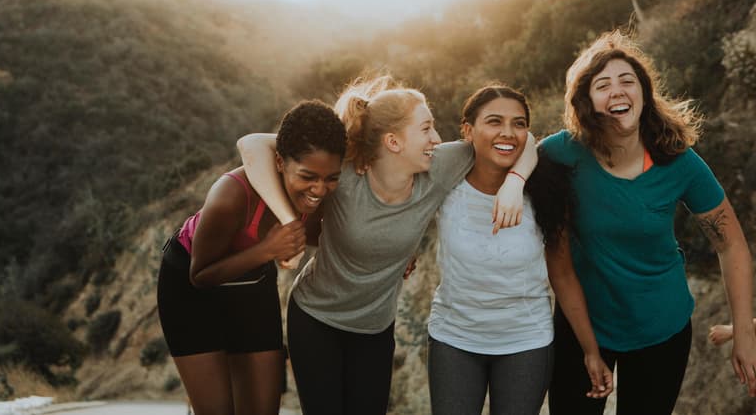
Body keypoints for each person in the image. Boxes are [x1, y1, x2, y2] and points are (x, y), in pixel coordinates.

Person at [236, 75, 537, 415]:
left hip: (375, 328)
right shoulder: (345, 173)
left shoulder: (439, 167)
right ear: (393, 141)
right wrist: (289, 221)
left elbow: (520, 140)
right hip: (316, 319)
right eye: (426, 129)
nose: (437, 139)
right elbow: (252, 145)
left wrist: (515, 182)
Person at [541, 30, 756, 415]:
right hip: (583, 326)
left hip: (662, 328)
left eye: (628, 81)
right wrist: (511, 184)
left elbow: (731, 244)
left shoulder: (678, 160)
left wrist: (744, 333)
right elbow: (516, 150)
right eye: (603, 85)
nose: (618, 90)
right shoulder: (564, 152)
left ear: (644, 92)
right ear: (587, 101)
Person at [427, 84, 613, 415]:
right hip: (454, 337)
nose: (508, 133)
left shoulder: (547, 191)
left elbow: (564, 275)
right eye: (494, 122)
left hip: (525, 342)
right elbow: (402, 204)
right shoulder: (445, 179)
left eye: (519, 123)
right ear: (468, 131)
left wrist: (590, 350)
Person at [156, 100, 346, 415]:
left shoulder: (319, 196)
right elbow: (199, 276)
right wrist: (267, 250)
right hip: (190, 289)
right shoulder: (231, 195)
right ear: (280, 162)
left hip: (251, 285)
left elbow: (330, 236)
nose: (320, 189)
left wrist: (396, 254)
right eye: (309, 176)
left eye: (331, 178)